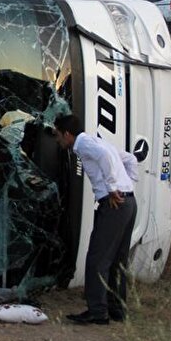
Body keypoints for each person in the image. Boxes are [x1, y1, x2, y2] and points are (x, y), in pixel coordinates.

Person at [53, 114, 138, 325]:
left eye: (57, 135)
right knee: (117, 260)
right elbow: (130, 159)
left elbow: (105, 158)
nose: (57, 140)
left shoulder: (83, 144)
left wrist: (112, 188)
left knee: (97, 260)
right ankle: (117, 310)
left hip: (114, 205)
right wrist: (127, 184)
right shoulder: (96, 140)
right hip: (128, 203)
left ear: (67, 134)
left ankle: (98, 312)